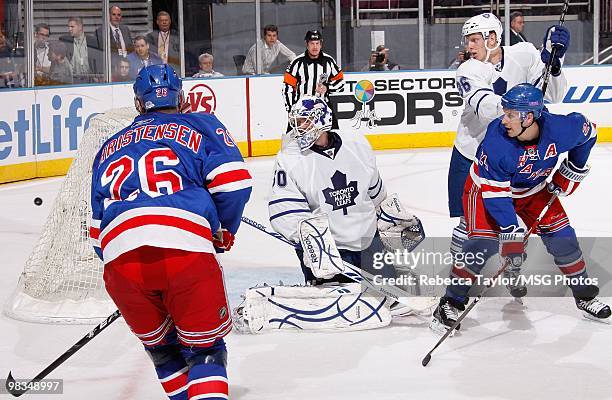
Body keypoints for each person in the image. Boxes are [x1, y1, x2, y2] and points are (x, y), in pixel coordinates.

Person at [90, 64, 252, 400]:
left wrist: (131, 269)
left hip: (120, 264)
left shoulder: (107, 148)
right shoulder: (199, 124)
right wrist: (222, 230)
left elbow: (96, 231)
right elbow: (233, 182)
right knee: (205, 351)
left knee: (164, 351)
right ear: (182, 97)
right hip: (184, 253)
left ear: (138, 104)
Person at [431, 83, 611, 334]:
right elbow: (496, 196)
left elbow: (589, 133)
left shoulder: (562, 129)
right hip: (485, 190)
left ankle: (584, 295)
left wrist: (571, 170)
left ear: (530, 117)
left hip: (533, 189)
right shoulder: (497, 142)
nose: (503, 120)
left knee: (564, 239)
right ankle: (450, 301)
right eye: (504, 112)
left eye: (510, 114)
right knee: (481, 244)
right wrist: (510, 230)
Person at [447, 13, 569, 300]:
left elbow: (556, 94)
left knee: (512, 223)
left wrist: (553, 64)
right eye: (468, 40)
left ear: (493, 38)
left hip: (511, 160)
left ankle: (512, 270)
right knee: (468, 225)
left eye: (475, 39)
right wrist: (529, 107)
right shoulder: (468, 69)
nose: (470, 46)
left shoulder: (524, 54)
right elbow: (489, 111)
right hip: (470, 156)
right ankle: (458, 279)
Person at [283, 30, 344, 130]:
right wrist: (291, 108)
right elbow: (287, 87)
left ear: (321, 44)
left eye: (317, 43)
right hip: (302, 109)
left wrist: (327, 87)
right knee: (293, 141)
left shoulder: (329, 61)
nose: (315, 47)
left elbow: (340, 82)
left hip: (323, 107)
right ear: (307, 44)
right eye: (312, 43)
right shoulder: (297, 63)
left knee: (333, 137)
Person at [60, 16, 101, 83]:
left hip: (90, 80)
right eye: (69, 27)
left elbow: (98, 60)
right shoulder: (66, 42)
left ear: (80, 27)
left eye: (72, 27)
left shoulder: (92, 41)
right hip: (73, 80)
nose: (69, 29)